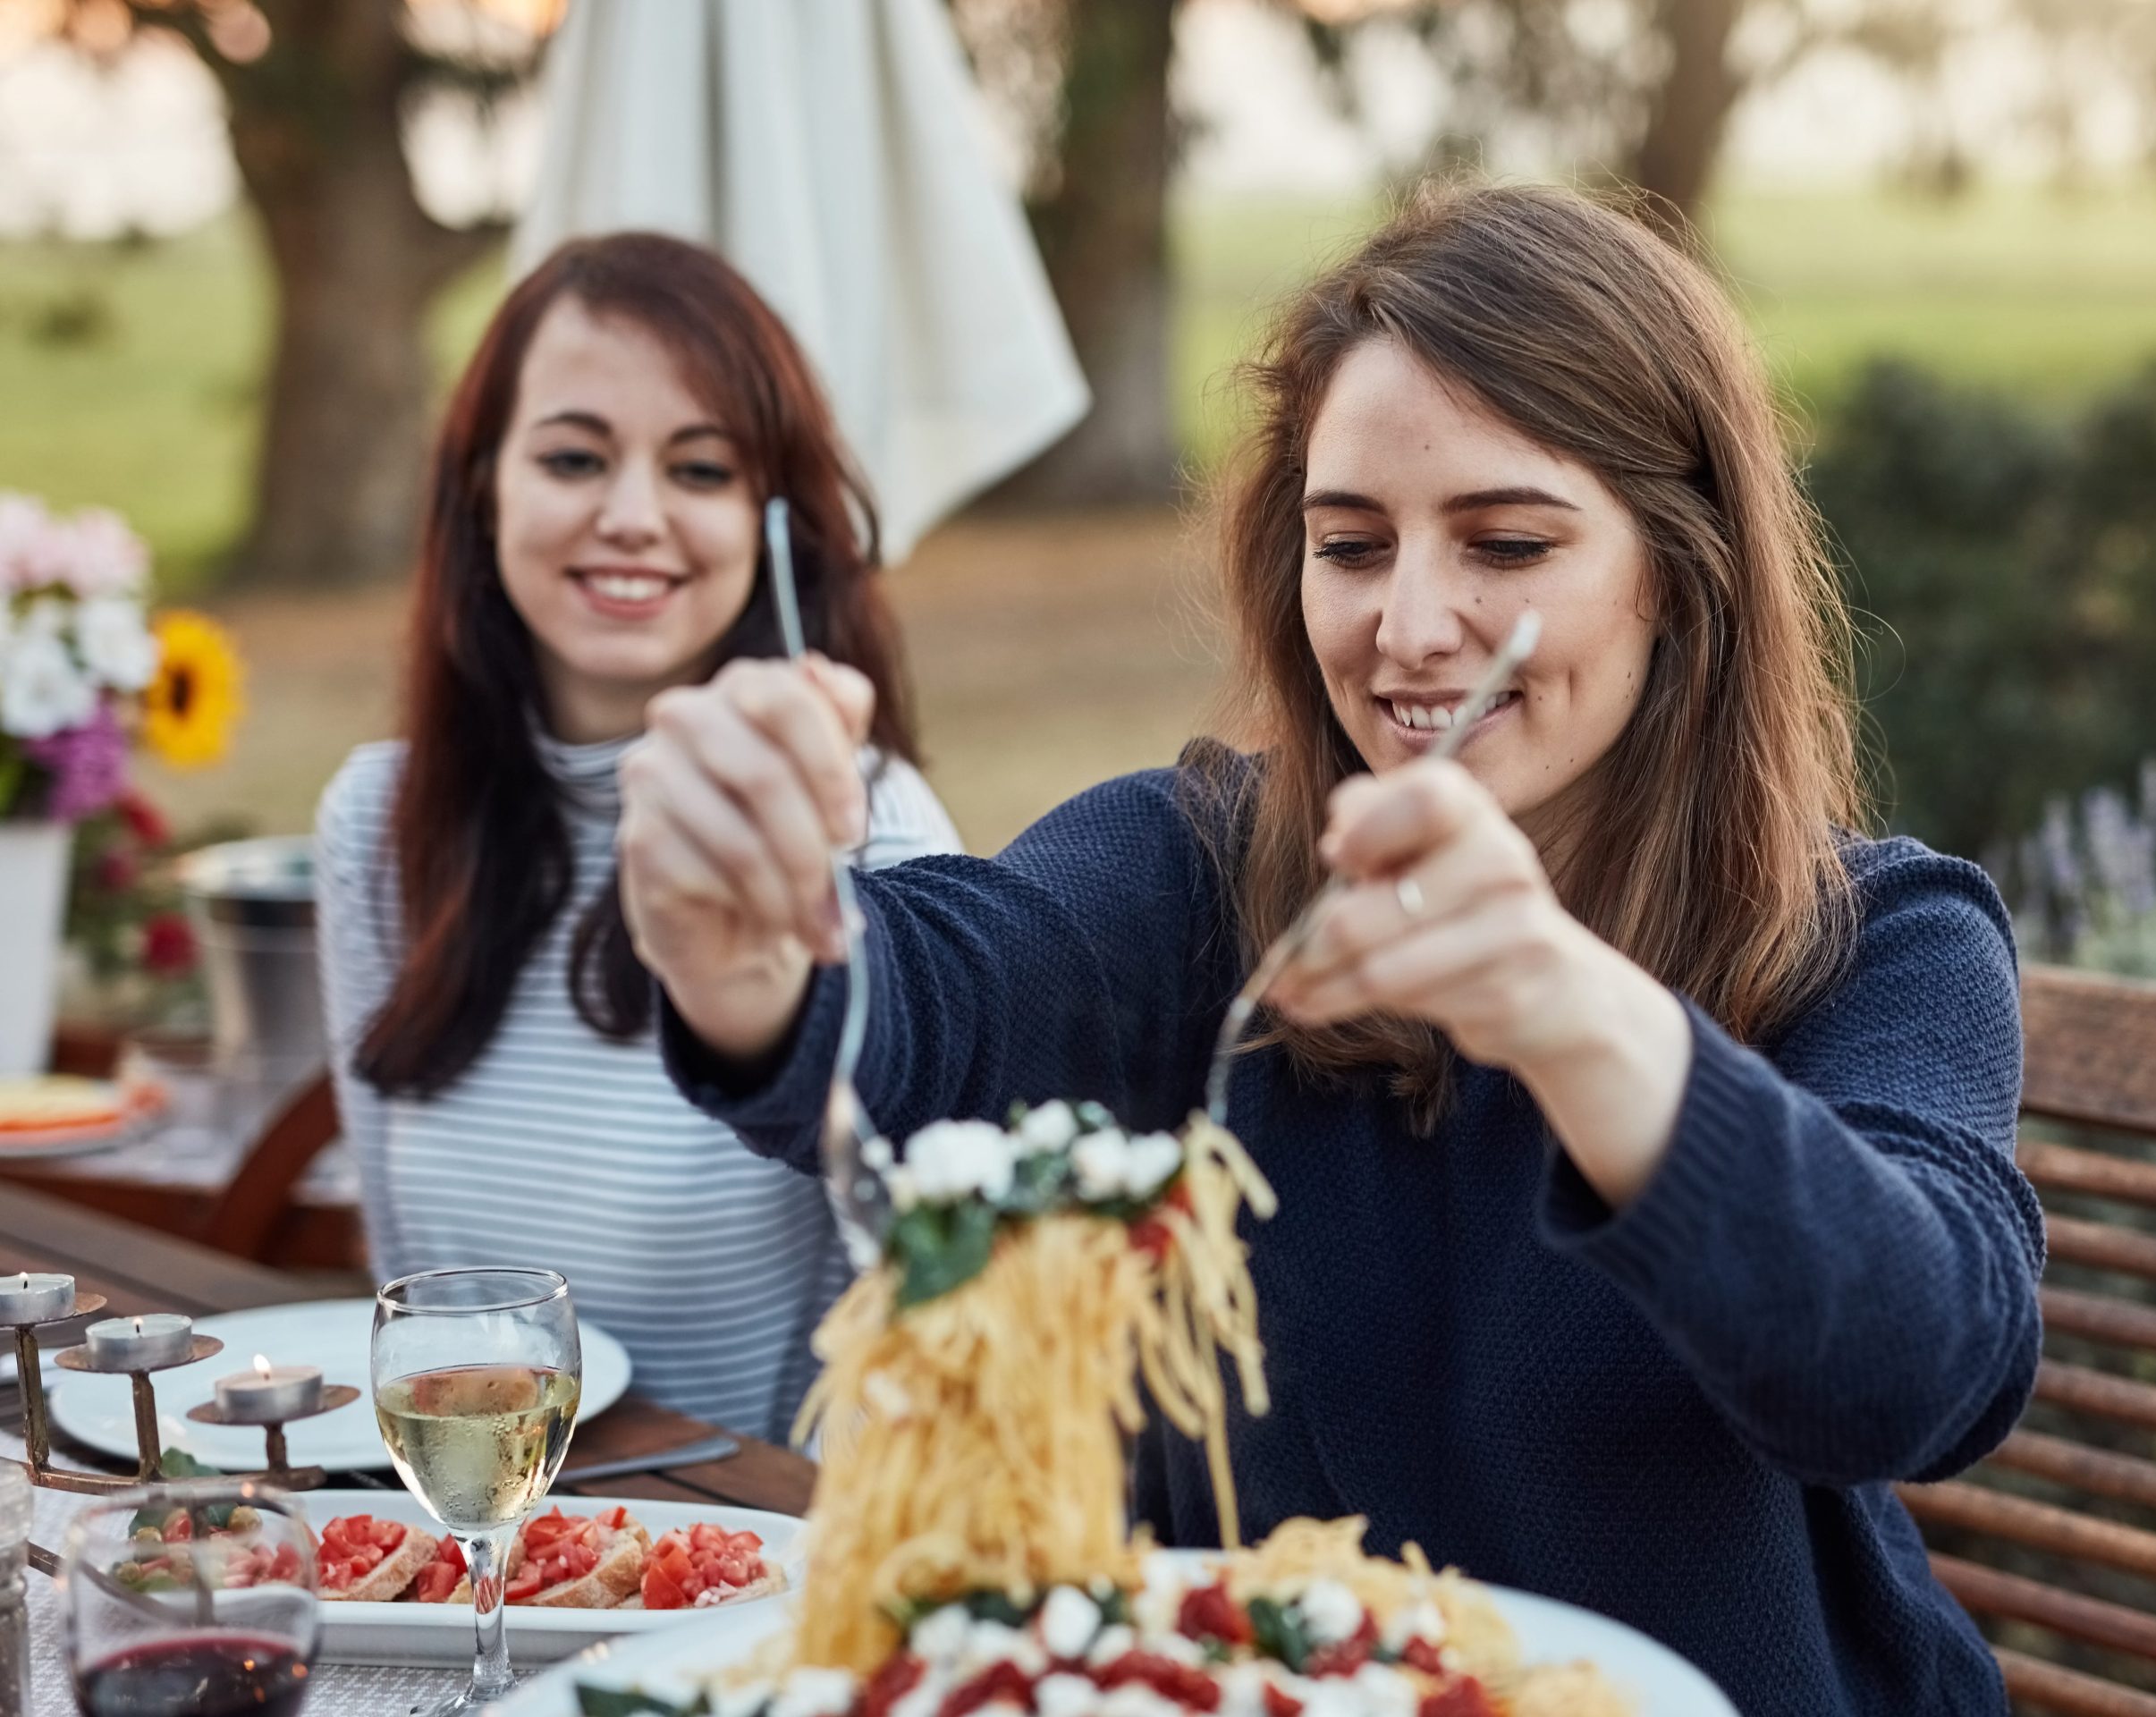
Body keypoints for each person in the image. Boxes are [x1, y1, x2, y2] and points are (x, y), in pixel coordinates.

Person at [616, 186, 2041, 1714]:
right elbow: (927, 1002)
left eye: (1506, 542)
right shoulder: (1195, 877)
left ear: (1679, 575)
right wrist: (753, 953)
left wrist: (1567, 1009)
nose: (1410, 627)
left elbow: (1913, 1371)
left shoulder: (1882, 944)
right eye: (1351, 545)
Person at [315, 233, 960, 1443]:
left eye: (700, 470)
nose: (631, 517)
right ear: (482, 488)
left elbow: (926, 1311)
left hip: (762, 1535)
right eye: (573, 458)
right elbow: (408, 1297)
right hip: (481, 1516)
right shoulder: (375, 824)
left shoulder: (869, 830)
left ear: (775, 523)